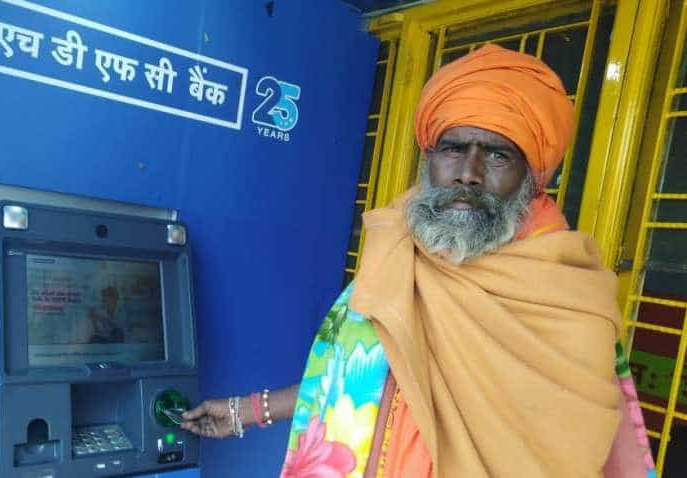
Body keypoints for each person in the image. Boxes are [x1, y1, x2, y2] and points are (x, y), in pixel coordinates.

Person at [181, 45, 657, 477]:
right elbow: (356, 375)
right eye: (453, 148)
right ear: (430, 158)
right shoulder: (398, 247)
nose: (468, 174)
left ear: (533, 176)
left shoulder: (569, 300)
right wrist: (249, 410)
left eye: (497, 155)